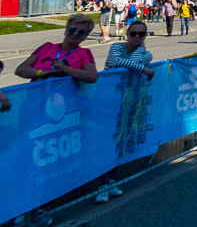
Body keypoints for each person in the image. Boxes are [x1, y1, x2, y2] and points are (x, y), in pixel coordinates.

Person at [96, 20, 154, 204]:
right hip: (106, 100)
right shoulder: (116, 47)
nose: (136, 37)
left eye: (141, 34)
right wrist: (145, 69)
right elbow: (117, 62)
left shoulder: (145, 53)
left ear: (145, 36)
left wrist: (141, 60)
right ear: (127, 34)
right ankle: (102, 186)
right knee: (105, 143)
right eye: (133, 33)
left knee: (119, 142)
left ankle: (112, 181)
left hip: (127, 103)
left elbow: (130, 64)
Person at [15, 13, 99, 84]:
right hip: (36, 98)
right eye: (72, 29)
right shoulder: (47, 47)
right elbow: (20, 69)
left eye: (81, 32)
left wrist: (66, 69)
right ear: (66, 31)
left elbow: (92, 76)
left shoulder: (84, 53)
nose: (75, 33)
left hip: (65, 100)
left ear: (85, 37)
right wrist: (40, 73)